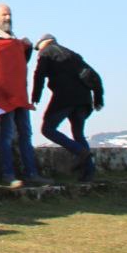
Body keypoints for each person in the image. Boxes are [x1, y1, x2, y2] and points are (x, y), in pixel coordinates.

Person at [0, 3, 52, 188]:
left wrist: (26, 49)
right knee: (7, 134)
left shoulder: (14, 39)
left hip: (20, 94)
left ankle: (31, 173)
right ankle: (8, 174)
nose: (7, 18)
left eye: (9, 14)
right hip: (5, 96)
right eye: (4, 14)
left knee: (25, 133)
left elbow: (19, 65)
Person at [33, 34, 103, 182]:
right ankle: (88, 173)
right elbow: (94, 75)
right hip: (84, 99)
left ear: (42, 44)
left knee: (47, 129)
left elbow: (39, 75)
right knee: (78, 134)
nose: (38, 52)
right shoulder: (72, 54)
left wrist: (35, 97)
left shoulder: (46, 53)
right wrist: (98, 98)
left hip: (64, 98)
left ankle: (80, 152)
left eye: (38, 48)